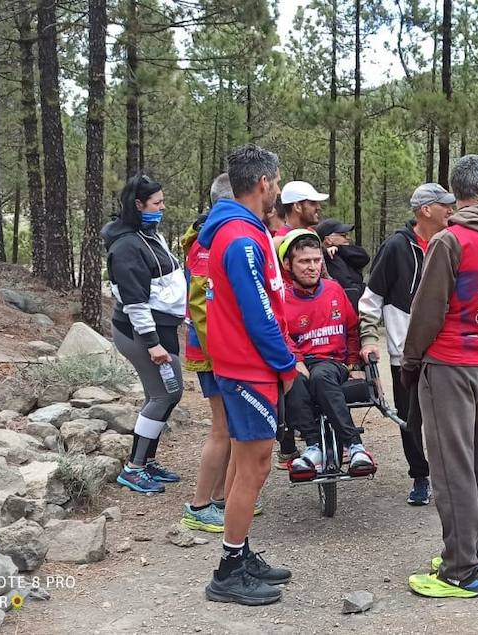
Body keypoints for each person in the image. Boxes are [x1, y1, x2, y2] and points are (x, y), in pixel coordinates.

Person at [402, 155, 478, 599]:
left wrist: (412, 362)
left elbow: (427, 311)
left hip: (450, 363)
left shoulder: (450, 241)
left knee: (451, 468)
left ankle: (459, 570)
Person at [198, 144, 294, 606]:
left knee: (245, 466)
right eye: (276, 182)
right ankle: (228, 570)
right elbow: (258, 314)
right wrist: (286, 363)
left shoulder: (243, 231)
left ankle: (240, 552)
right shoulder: (240, 238)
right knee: (253, 468)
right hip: (248, 368)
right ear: (263, 184)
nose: (277, 189)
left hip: (242, 364)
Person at [358, 183, 453, 506]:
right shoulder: (396, 247)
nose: (451, 210)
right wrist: (369, 339)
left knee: (446, 420)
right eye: (445, 205)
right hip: (405, 356)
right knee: (412, 419)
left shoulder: (451, 242)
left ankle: (447, 477)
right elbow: (371, 301)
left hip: (446, 353)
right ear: (426, 210)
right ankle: (420, 477)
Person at [103, 174, 187, 494]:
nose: (162, 208)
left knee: (169, 394)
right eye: (157, 203)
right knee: (165, 394)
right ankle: (134, 467)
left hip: (160, 327)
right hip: (140, 332)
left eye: (163, 202)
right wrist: (152, 344)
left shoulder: (148, 234)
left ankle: (147, 462)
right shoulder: (126, 246)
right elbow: (136, 302)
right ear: (138, 205)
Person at [277, 230, 377, 477]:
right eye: (304, 261)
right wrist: (297, 360)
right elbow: (278, 335)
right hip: (299, 362)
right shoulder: (280, 299)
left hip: (332, 362)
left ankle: (355, 447)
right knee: (294, 378)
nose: (312, 267)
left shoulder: (334, 290)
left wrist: (354, 365)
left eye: (316, 260)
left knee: (321, 375)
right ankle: (313, 448)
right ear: (288, 265)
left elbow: (352, 329)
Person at [181, 173, 244, 531]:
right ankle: (199, 503)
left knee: (234, 428)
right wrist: (219, 352)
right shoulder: (210, 241)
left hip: (219, 348)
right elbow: (201, 303)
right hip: (212, 351)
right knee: (221, 427)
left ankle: (221, 498)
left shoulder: (219, 234)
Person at [314, 218, 370, 310]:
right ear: (328, 240)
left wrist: (340, 249)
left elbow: (363, 257)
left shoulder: (342, 253)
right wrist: (364, 289)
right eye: (343, 235)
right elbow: (348, 289)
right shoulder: (331, 258)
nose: (347, 237)